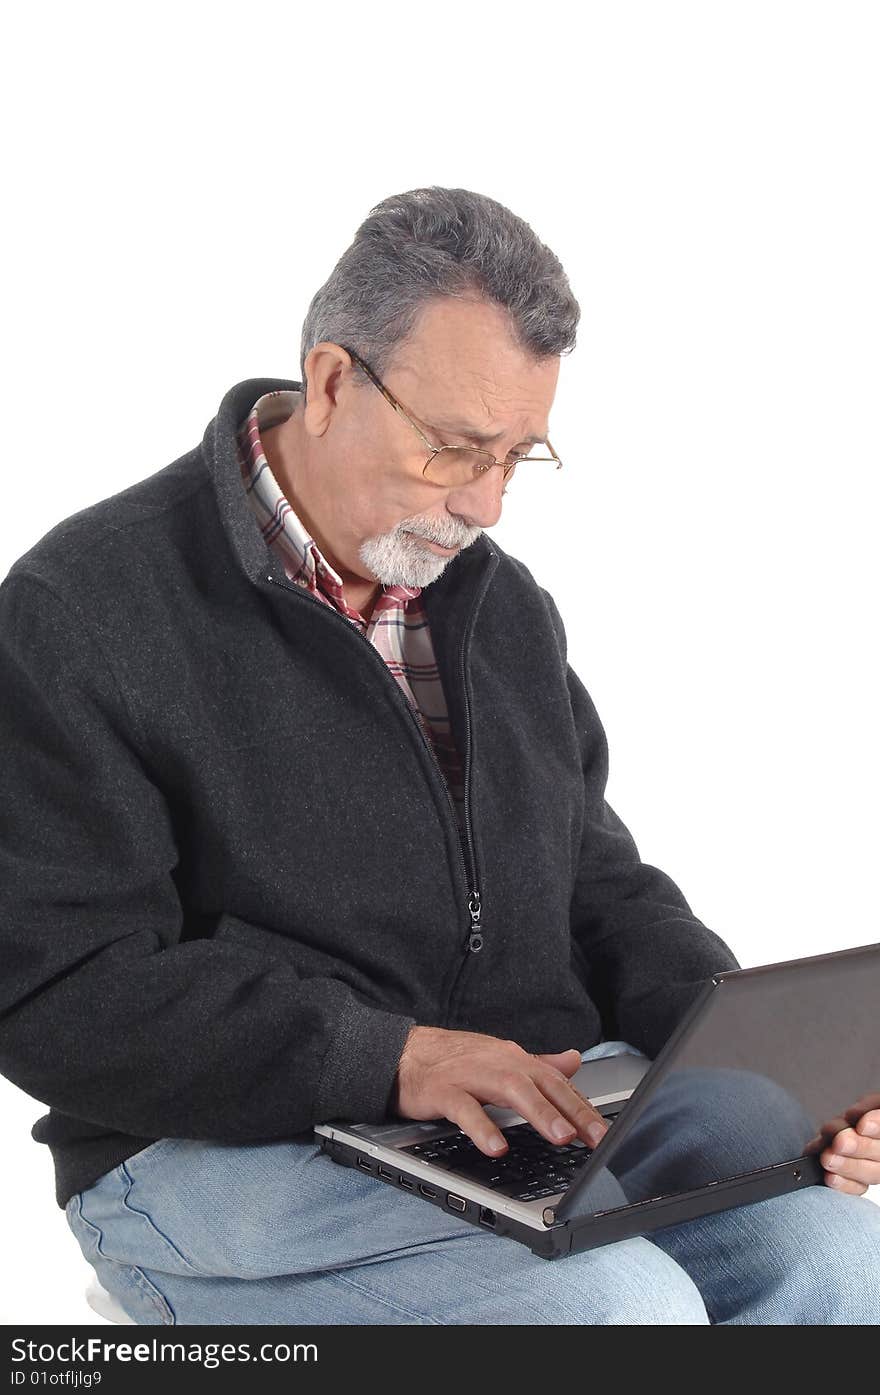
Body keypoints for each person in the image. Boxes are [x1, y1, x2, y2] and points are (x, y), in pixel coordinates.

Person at [1, 186, 878, 1326]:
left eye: (520, 454)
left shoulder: (495, 604)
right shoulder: (83, 611)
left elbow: (595, 884)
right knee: (615, 1312)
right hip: (205, 1151)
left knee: (843, 1263)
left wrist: (755, 1065)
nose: (487, 504)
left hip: (513, 1125)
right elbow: (55, 987)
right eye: (457, 449)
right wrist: (390, 1058)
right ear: (329, 382)